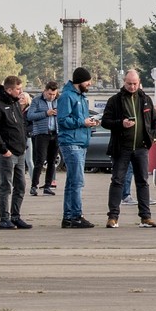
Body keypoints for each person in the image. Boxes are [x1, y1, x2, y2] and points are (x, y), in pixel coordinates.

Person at [102, 69, 156, 228]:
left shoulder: (146, 99)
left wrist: (154, 136)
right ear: (124, 82)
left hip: (141, 148)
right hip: (122, 148)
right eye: (129, 84)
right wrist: (121, 123)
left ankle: (145, 217)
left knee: (142, 182)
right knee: (117, 181)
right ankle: (113, 217)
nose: (132, 87)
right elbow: (105, 121)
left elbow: (155, 120)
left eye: (135, 84)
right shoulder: (115, 100)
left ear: (139, 82)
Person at [0, 74, 33, 230]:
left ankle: (15, 216)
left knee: (21, 185)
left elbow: (21, 124)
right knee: (6, 185)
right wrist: (4, 149)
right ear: (9, 89)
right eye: (18, 89)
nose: (20, 92)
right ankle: (4, 218)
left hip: (19, 151)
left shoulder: (16, 103)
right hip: (6, 154)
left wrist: (23, 142)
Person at [55, 66, 97, 228]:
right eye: (88, 81)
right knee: (77, 181)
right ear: (79, 81)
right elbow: (63, 120)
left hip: (80, 141)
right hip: (71, 143)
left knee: (72, 181)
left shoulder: (80, 97)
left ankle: (68, 217)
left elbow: (79, 118)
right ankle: (76, 215)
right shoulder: (67, 97)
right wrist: (82, 122)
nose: (90, 84)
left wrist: (90, 122)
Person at [26, 80, 59, 194]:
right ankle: (34, 185)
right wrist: (46, 113)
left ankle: (47, 186)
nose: (52, 96)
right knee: (40, 160)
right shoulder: (36, 101)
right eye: (50, 94)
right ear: (45, 91)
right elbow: (30, 116)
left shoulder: (58, 101)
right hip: (41, 133)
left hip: (55, 133)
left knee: (52, 161)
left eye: (54, 94)